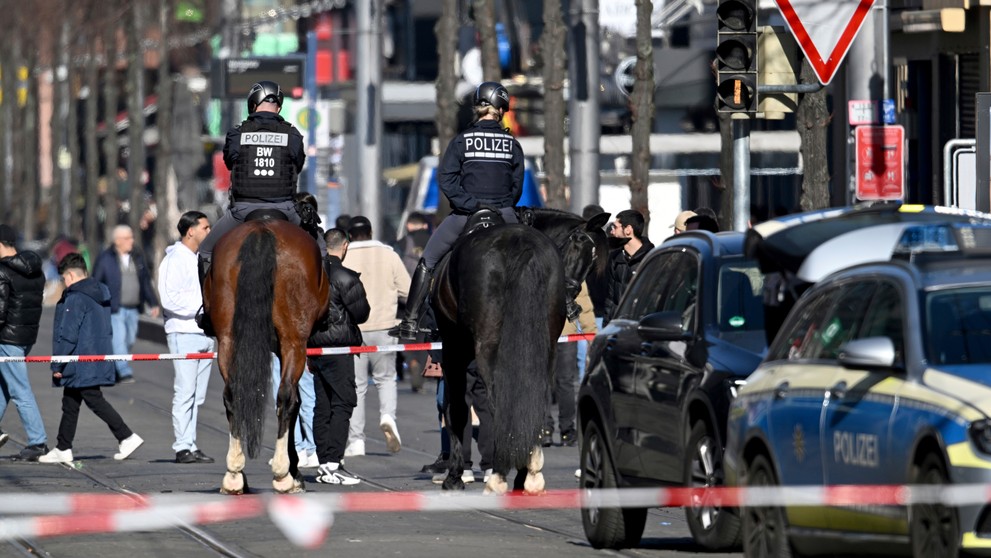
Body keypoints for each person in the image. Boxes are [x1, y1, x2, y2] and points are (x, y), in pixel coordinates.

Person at [389, 81, 524, 340]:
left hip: (466, 216)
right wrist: (500, 205)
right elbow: (516, 187)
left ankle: (410, 321)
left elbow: (447, 180)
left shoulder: (462, 141)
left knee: (428, 261)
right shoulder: (512, 144)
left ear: (480, 107)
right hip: (503, 214)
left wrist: (471, 205)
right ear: (501, 109)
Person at [196, 81, 322, 331]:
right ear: (279, 105)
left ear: (252, 105)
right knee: (320, 248)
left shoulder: (236, 133)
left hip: (243, 210)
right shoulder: (293, 134)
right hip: (285, 208)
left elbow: (231, 162)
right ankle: (326, 306)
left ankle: (209, 310)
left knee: (206, 251)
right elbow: (297, 164)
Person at [39, 253, 144, 463]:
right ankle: (63, 446)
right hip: (96, 356)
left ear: (69, 275)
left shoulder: (75, 297)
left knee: (94, 399)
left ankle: (126, 436)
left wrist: (58, 363)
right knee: (70, 402)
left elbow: (68, 334)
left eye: (63, 279)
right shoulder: (100, 293)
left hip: (80, 361)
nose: (63, 284)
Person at [343, 216, 410, 457]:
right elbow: (407, 289)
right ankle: (387, 416)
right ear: (371, 232)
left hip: (353, 330)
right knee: (386, 378)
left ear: (349, 236)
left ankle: (357, 440)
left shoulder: (345, 255)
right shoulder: (389, 254)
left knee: (357, 386)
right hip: (385, 326)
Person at [308, 228, 370, 484]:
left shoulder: (310, 275)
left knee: (322, 405)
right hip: (340, 348)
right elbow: (362, 313)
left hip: (314, 347)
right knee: (344, 402)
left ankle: (324, 462)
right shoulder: (346, 277)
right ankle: (333, 463)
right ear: (344, 246)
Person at [157, 211, 215, 464]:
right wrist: (203, 307)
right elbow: (169, 299)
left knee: (198, 395)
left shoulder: (200, 258)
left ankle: (191, 443)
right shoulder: (174, 260)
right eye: (205, 227)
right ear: (190, 231)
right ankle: (182, 446)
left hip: (205, 333)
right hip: (184, 332)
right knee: (185, 392)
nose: (209, 232)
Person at [0, 224, 50, 461]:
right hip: (25, 336)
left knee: (19, 389)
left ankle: (37, 441)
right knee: (3, 386)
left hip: (6, 337)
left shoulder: (2, 271)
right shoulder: (35, 269)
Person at [92, 224, 160, 384]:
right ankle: (124, 371)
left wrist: (153, 302)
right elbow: (96, 283)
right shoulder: (105, 259)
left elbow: (144, 281)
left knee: (129, 340)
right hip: (115, 308)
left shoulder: (137, 256)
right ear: (117, 241)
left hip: (134, 308)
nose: (132, 241)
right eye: (128, 238)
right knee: (119, 339)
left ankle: (115, 366)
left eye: (132, 237)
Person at [543, 281, 596, 447]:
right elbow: (584, 301)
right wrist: (590, 332)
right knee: (563, 382)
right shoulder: (571, 266)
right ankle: (566, 431)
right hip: (562, 332)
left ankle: (546, 430)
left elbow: (583, 300)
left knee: (547, 382)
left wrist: (590, 332)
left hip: (546, 332)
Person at [604, 209, 654, 322]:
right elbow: (610, 299)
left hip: (641, 327)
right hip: (616, 326)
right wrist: (607, 326)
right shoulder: (615, 258)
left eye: (615, 227)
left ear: (628, 230)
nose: (612, 232)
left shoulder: (651, 259)